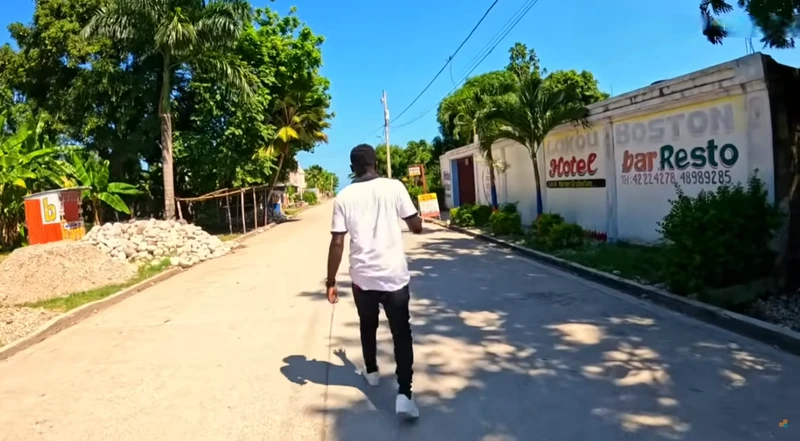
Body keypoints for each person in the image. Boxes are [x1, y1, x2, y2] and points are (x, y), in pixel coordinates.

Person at [325, 144, 424, 420]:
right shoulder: (395, 188)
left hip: (363, 278)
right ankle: (405, 393)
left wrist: (330, 281)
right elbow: (415, 225)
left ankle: (371, 372)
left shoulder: (344, 197)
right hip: (393, 276)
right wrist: (419, 223)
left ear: (352, 168)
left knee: (367, 325)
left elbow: (337, 241)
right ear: (376, 163)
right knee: (401, 334)